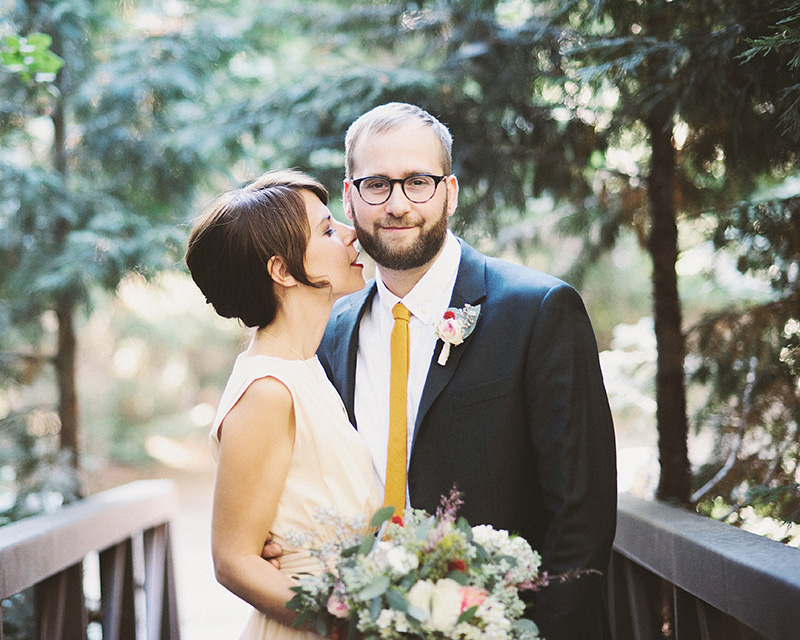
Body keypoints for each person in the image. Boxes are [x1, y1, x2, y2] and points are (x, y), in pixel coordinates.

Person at [315, 102, 618, 640]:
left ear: (450, 191)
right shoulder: (330, 331)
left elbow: (582, 518)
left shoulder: (539, 310)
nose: (398, 204)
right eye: (377, 184)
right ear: (349, 197)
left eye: (418, 182)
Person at [185, 169, 381, 640]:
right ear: (283, 270)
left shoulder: (306, 369)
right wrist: (341, 622)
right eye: (328, 230)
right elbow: (232, 561)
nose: (352, 235)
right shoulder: (267, 389)